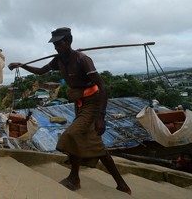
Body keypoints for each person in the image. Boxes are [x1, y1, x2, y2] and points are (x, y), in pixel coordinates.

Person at [8, 27, 131, 194]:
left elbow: (102, 87)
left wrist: (101, 116)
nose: (57, 47)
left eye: (60, 43)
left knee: (71, 135)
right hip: (79, 105)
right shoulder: (58, 61)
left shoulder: (82, 59)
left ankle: (75, 177)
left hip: (92, 104)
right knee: (95, 144)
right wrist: (22, 66)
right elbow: (41, 71)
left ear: (69, 41)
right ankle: (119, 184)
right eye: (55, 44)